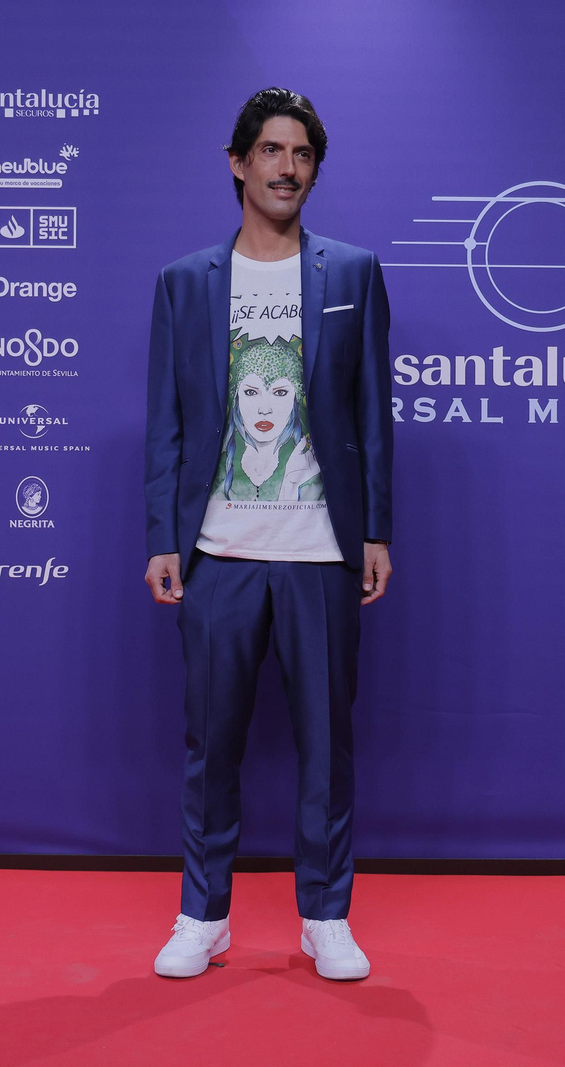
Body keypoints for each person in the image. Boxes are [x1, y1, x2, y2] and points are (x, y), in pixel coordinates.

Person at [142, 87, 393, 981]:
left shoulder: (352, 274)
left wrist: (377, 530)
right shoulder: (184, 283)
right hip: (219, 555)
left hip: (321, 552)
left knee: (329, 744)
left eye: (304, 154)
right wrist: (164, 536)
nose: (289, 168)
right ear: (239, 163)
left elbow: (372, 414)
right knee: (212, 743)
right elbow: (168, 423)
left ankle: (326, 914)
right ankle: (200, 914)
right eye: (273, 151)